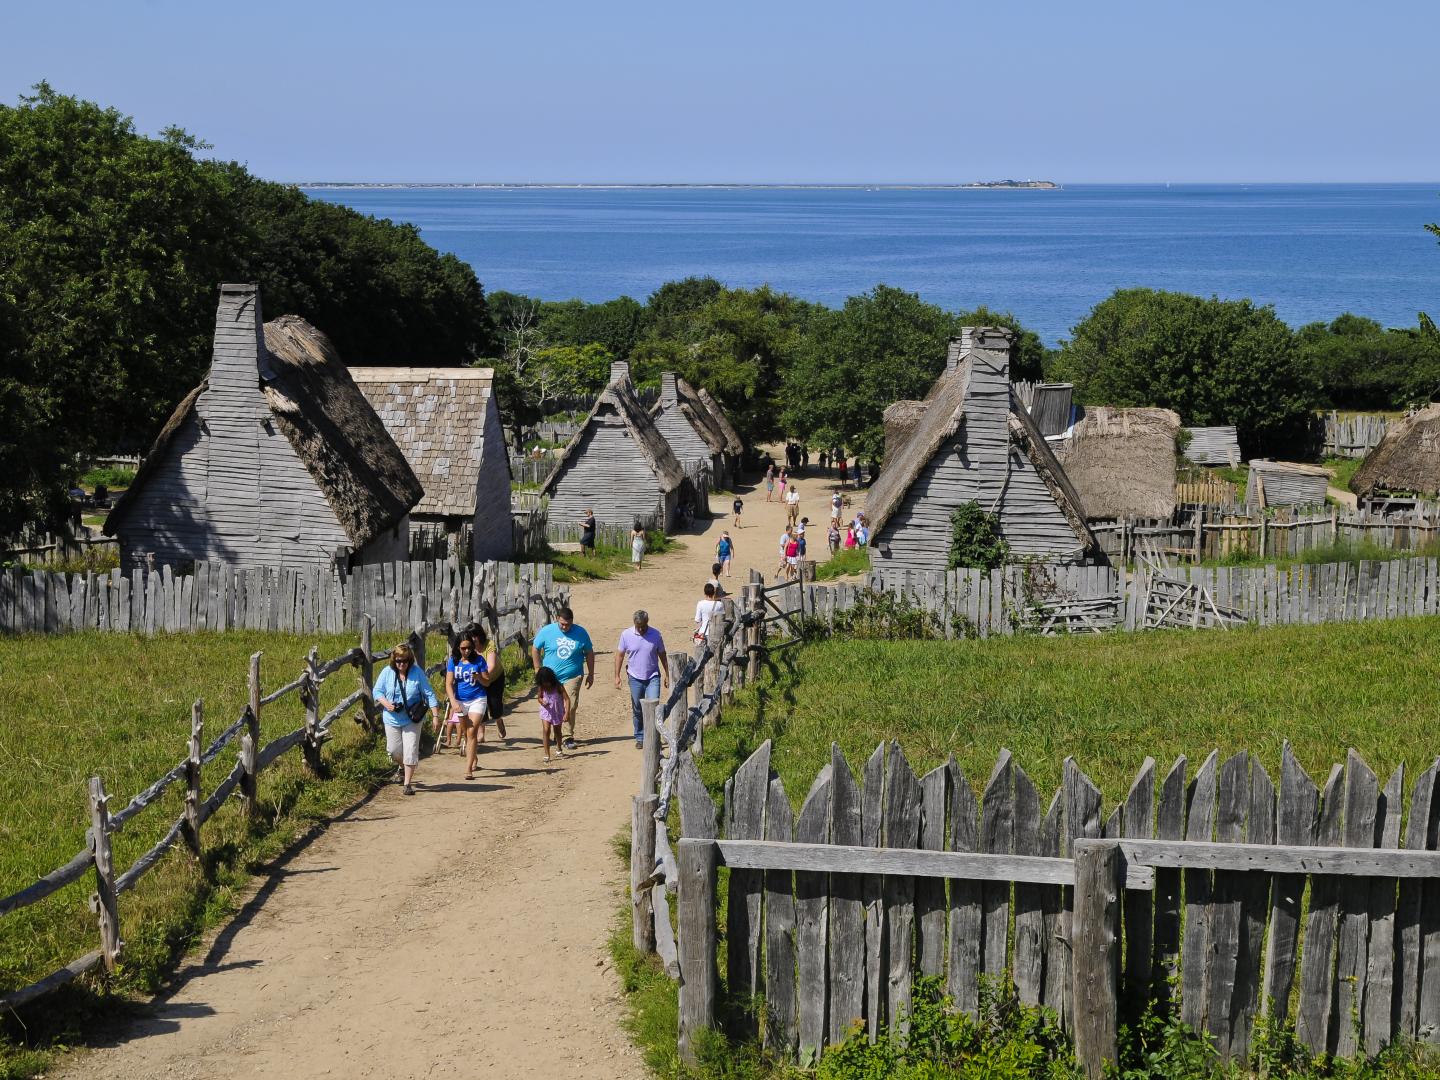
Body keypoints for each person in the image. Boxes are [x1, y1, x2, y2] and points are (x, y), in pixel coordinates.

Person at [375, 643, 441, 796]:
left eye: (404, 661)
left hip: (412, 719)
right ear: (394, 660)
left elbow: (429, 694)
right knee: (393, 751)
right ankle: (402, 766)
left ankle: (407, 784)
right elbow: (377, 691)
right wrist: (387, 704)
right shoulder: (387, 672)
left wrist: (435, 716)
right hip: (391, 718)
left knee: (410, 750)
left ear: (410, 660)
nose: (401, 664)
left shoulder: (417, 673)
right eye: (398, 661)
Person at [531, 606, 594, 750]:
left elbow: (589, 652)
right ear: (557, 619)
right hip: (550, 678)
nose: (565, 627)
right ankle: (556, 732)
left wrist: (591, 673)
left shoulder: (581, 633)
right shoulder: (547, 631)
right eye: (562, 624)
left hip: (573, 675)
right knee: (552, 704)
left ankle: (567, 736)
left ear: (572, 622)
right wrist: (537, 668)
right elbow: (535, 648)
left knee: (569, 704)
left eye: (568, 624)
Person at [615, 610, 668, 749]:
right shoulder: (626, 635)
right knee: (637, 708)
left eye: (643, 626)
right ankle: (640, 736)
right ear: (634, 624)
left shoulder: (655, 635)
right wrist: (617, 676)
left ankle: (653, 737)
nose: (641, 629)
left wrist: (668, 673)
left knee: (653, 707)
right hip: (635, 677)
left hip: (652, 676)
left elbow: (662, 654)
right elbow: (620, 655)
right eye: (638, 626)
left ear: (647, 622)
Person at [446, 630, 493, 781]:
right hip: (460, 700)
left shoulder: (479, 660)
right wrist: (453, 702)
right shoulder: (453, 661)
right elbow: (448, 683)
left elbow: (487, 682)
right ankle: (474, 757)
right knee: (466, 733)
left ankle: (468, 769)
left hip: (478, 699)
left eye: (469, 648)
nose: (466, 651)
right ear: (457, 648)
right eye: (463, 648)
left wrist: (479, 677)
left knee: (472, 733)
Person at [535, 667, 570, 764]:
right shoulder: (541, 687)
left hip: (557, 712)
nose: (546, 685)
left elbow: (567, 699)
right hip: (546, 712)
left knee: (557, 731)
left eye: (547, 682)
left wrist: (567, 713)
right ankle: (547, 754)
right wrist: (542, 702)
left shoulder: (558, 686)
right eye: (543, 683)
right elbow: (539, 697)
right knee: (546, 730)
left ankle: (559, 748)